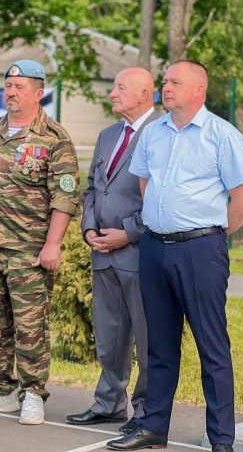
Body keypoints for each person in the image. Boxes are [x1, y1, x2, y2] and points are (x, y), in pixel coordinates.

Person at [108, 61, 243, 452]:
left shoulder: (222, 136)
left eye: (175, 81)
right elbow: (145, 184)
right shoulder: (153, 133)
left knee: (212, 347)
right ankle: (154, 426)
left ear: (199, 90)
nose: (167, 87)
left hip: (200, 250)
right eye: (166, 80)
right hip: (155, 248)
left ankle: (222, 439)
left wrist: (206, 234)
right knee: (159, 344)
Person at [0, 59, 80, 425]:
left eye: (19, 86)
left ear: (39, 93)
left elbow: (65, 196)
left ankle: (34, 393)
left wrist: (52, 244)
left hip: (30, 250)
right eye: (8, 85)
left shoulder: (54, 138)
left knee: (30, 326)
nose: (11, 92)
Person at [66, 67, 158, 434]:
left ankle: (147, 411)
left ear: (144, 94)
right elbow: (92, 188)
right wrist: (89, 226)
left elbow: (163, 196)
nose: (112, 93)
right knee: (109, 336)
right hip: (102, 252)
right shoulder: (108, 135)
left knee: (149, 338)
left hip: (140, 254)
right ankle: (109, 404)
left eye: (121, 87)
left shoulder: (162, 134)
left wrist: (129, 233)